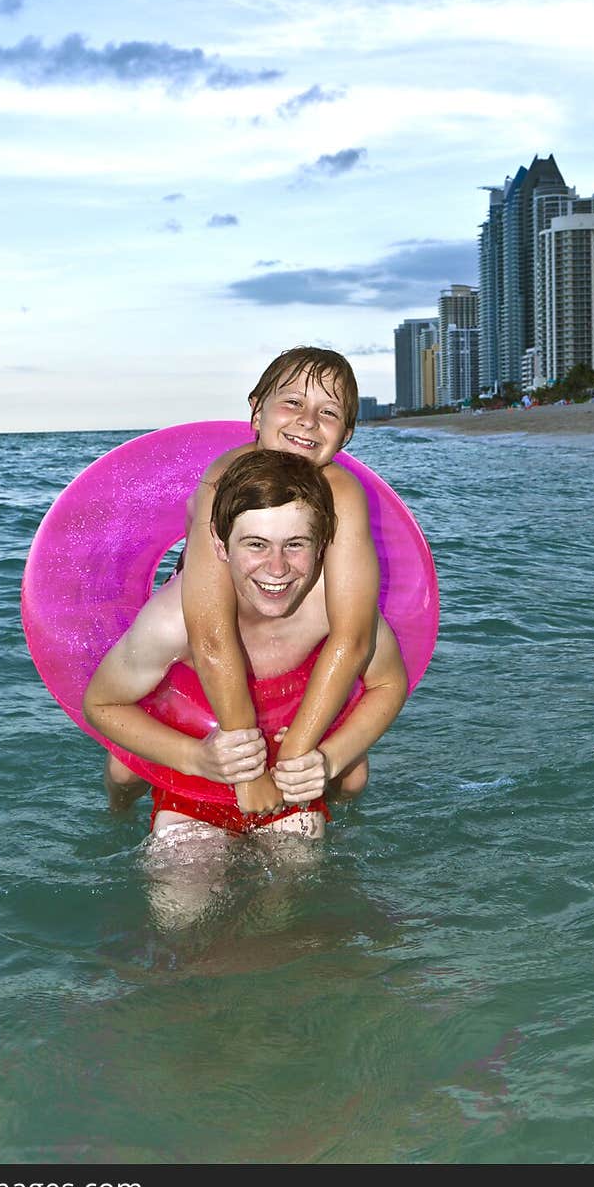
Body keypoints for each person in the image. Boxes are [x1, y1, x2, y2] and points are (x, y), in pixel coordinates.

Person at [104, 346, 381, 817]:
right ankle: (116, 812)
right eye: (292, 403)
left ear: (347, 434)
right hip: (206, 606)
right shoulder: (223, 480)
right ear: (257, 410)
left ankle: (330, 818)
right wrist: (249, 773)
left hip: (280, 608)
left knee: (352, 774)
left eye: (328, 412)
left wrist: (297, 753)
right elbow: (209, 631)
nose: (308, 422)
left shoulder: (344, 494)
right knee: (125, 769)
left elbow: (353, 636)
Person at [84, 449, 407, 845]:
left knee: (307, 861)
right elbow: (100, 704)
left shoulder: (335, 607)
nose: (277, 568)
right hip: (198, 760)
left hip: (286, 760)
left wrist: (329, 759)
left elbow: (388, 683)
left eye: (295, 545)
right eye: (256, 544)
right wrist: (195, 757)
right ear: (220, 546)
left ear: (322, 545)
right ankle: (118, 807)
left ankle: (335, 806)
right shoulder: (173, 620)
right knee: (179, 894)